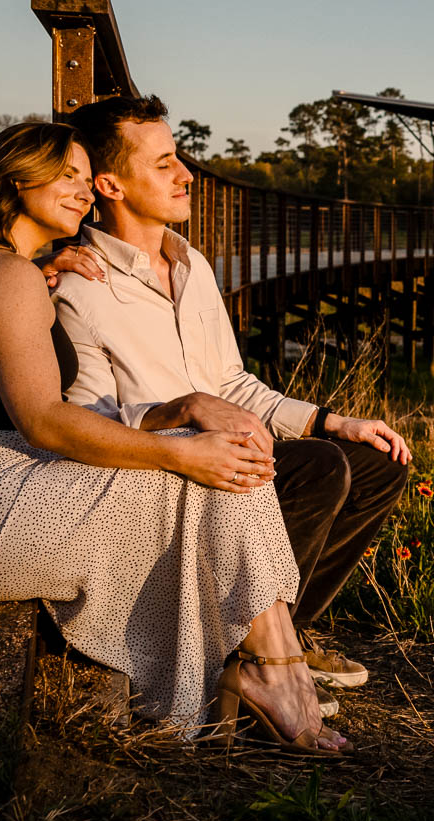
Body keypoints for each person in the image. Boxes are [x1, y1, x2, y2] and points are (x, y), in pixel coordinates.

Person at [0, 121, 348, 754]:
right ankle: (273, 670)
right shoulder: (4, 275)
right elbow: (44, 420)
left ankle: (272, 665)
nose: (84, 194)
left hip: (11, 487)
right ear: (16, 178)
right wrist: (179, 448)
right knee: (212, 465)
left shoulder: (10, 268)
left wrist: (44, 268)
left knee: (220, 465)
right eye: (67, 177)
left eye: (89, 181)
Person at [49, 96, 410, 707]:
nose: (187, 175)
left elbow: (232, 383)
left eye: (179, 159)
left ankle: (276, 639)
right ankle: (250, 658)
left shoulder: (191, 265)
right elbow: (84, 424)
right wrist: (182, 411)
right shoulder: (78, 285)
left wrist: (331, 419)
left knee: (375, 460)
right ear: (108, 184)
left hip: (226, 458)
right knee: (320, 469)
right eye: (164, 164)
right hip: (160, 479)